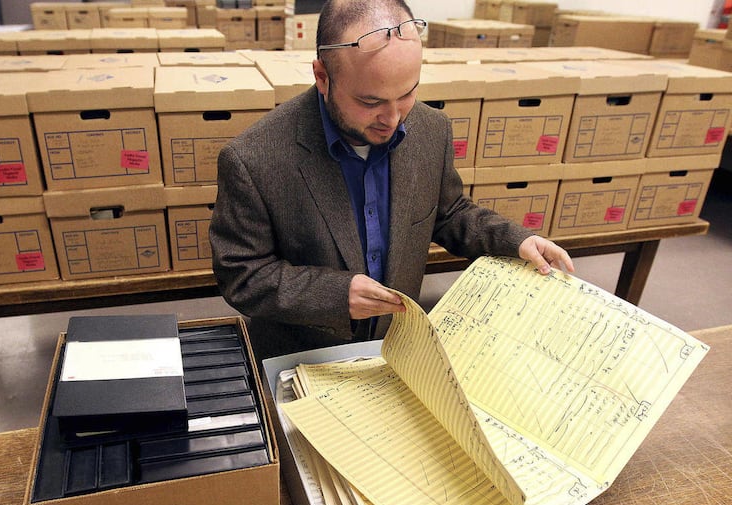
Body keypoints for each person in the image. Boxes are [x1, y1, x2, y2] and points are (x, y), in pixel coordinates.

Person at [209, 0, 574, 362]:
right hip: (303, 356)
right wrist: (334, 295)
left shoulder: (431, 129)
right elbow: (242, 275)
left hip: (396, 348)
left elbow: (448, 213)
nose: (394, 118)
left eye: (408, 93)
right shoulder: (254, 159)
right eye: (370, 102)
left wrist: (516, 240)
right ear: (322, 77)